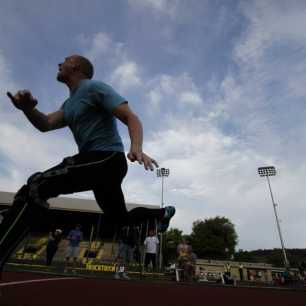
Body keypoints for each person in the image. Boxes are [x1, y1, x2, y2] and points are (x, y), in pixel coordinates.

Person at [0, 54, 175, 273]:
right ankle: (162, 214)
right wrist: (27, 109)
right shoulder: (69, 103)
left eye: (64, 60)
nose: (59, 63)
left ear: (75, 67)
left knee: (35, 186)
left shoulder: (94, 88)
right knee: (121, 219)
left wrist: (136, 148)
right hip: (100, 168)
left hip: (106, 159)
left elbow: (131, 117)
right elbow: (45, 123)